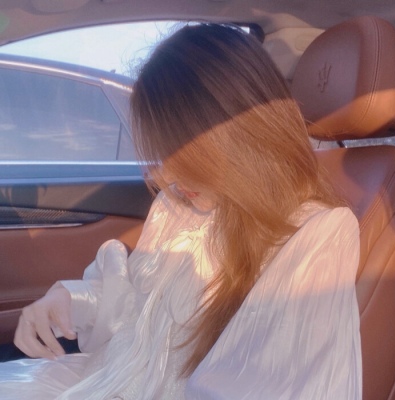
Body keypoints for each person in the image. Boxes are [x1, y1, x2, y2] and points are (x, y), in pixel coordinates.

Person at [0, 24, 362, 399]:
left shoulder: (317, 233)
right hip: (109, 376)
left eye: (180, 152)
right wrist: (69, 301)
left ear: (241, 137)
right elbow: (135, 302)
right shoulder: (175, 207)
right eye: (159, 150)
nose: (163, 176)